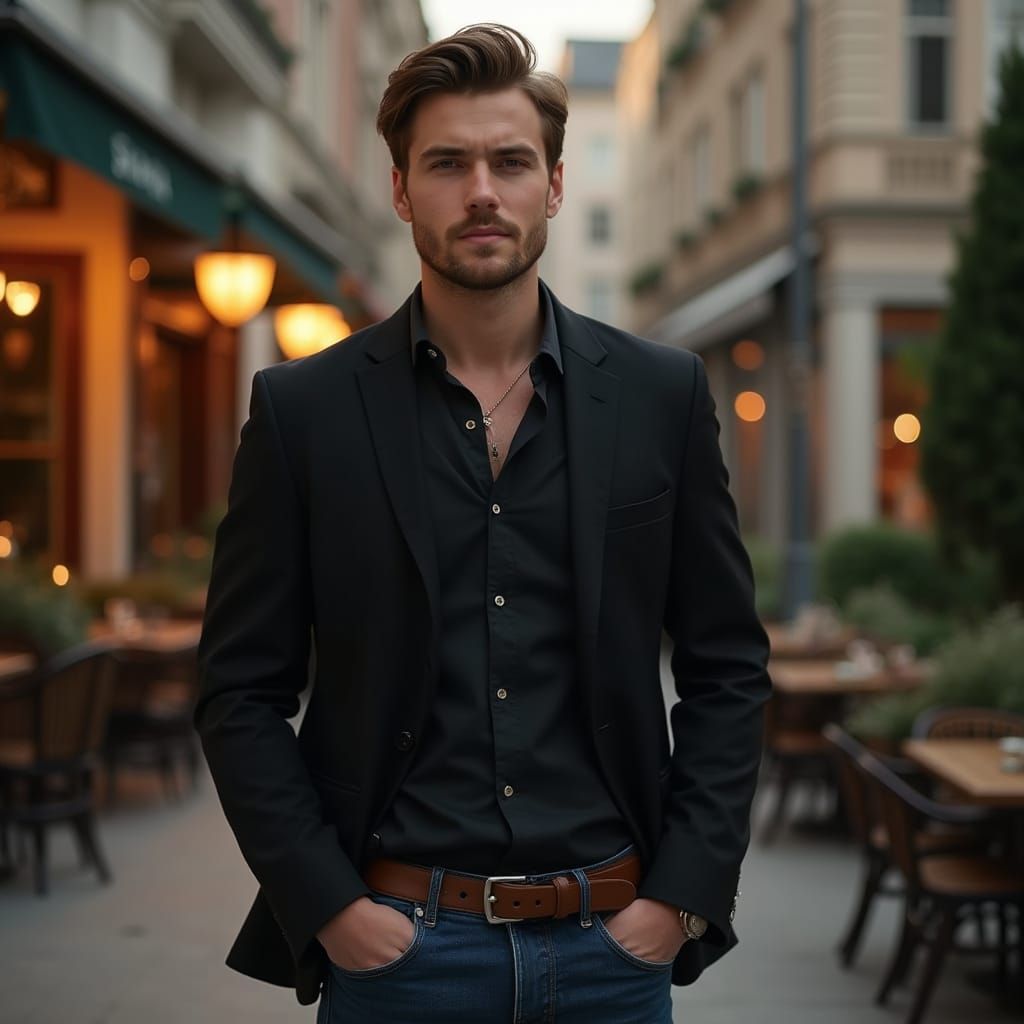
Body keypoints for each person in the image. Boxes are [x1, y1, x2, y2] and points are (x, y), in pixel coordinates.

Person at [195, 23, 771, 1024]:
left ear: (551, 184)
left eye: (510, 161)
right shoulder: (304, 411)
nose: (481, 191)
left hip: (611, 948)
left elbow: (727, 664)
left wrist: (680, 894)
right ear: (400, 190)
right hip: (400, 952)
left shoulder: (660, 395)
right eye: (446, 163)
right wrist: (329, 905)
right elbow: (239, 688)